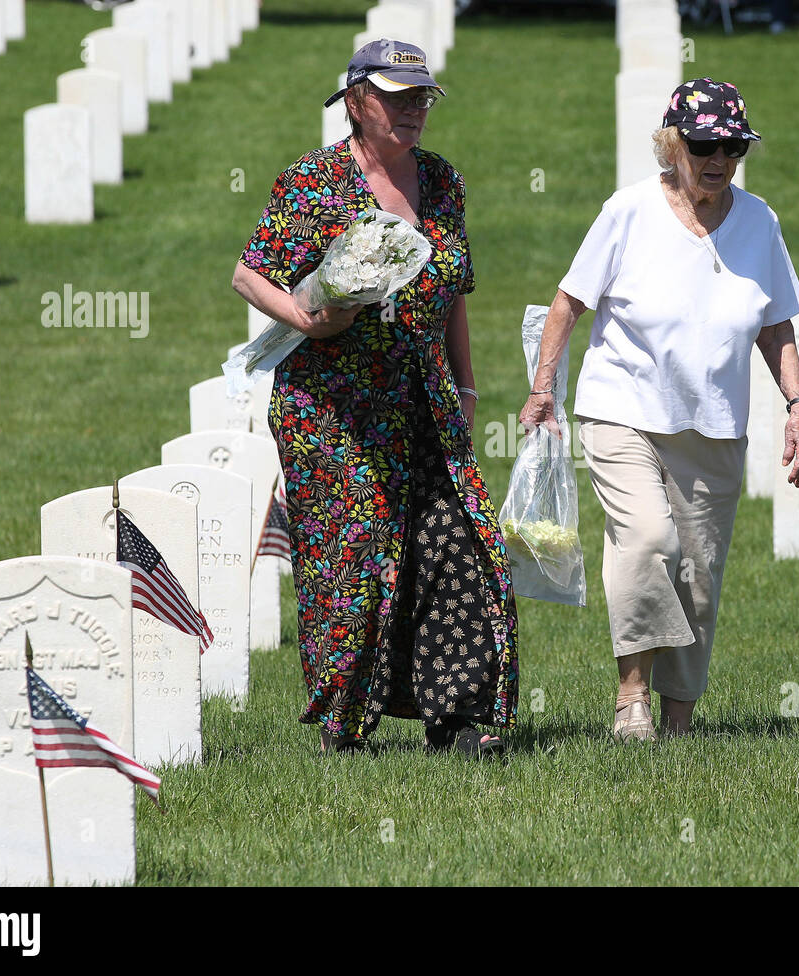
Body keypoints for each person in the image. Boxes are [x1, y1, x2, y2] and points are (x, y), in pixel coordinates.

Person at [232, 39, 518, 756]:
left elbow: (453, 292)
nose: (414, 109)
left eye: (422, 97)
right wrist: (306, 317)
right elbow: (249, 274)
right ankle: (346, 727)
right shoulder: (313, 182)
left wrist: (467, 384)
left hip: (422, 393)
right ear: (356, 100)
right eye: (397, 97)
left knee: (456, 540)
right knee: (355, 558)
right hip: (331, 404)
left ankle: (454, 717)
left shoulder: (442, 181)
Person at [519, 79, 799, 741]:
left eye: (733, 146)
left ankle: (680, 719)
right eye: (706, 143)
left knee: (699, 575)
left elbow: (776, 324)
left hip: (712, 422)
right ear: (673, 144)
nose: (720, 157)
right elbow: (569, 303)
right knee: (649, 540)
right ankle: (632, 699)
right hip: (622, 408)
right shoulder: (629, 212)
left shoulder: (759, 222)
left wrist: (798, 407)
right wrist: (544, 390)